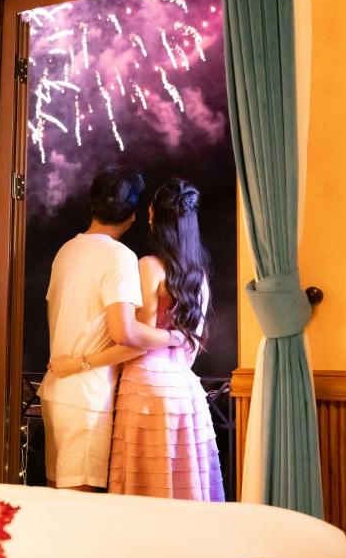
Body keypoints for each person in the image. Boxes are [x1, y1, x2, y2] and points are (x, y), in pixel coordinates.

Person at [50, 179, 224, 501]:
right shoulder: (198, 277)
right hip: (186, 392)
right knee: (184, 489)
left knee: (146, 490)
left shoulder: (149, 266)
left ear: (151, 214)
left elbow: (133, 339)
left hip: (146, 387)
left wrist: (77, 363)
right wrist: (175, 338)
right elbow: (190, 348)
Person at [39, 167, 186, 491]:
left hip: (56, 389)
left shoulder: (67, 250)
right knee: (79, 505)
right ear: (133, 214)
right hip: (87, 395)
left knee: (55, 499)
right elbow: (127, 334)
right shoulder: (119, 257)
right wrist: (174, 337)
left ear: (92, 204)